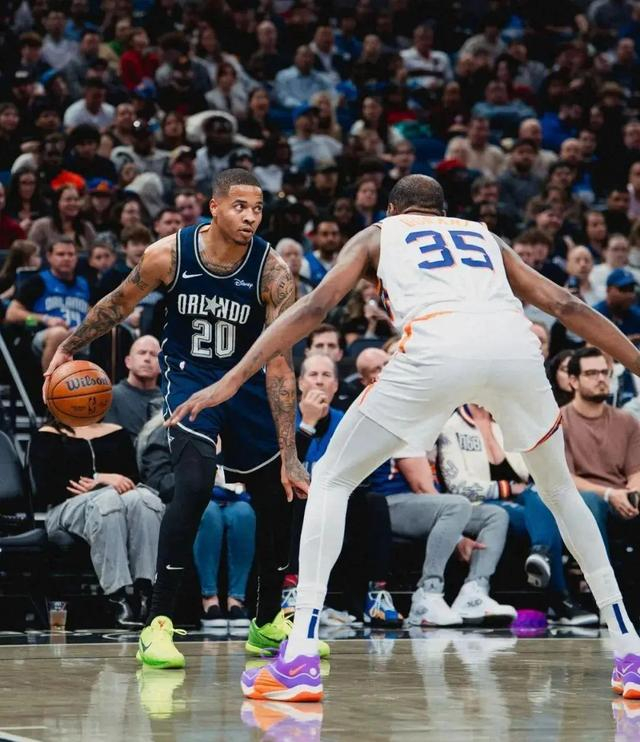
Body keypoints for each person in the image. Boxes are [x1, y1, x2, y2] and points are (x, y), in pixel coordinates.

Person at [168, 174, 640, 702]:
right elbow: (568, 307)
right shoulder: (485, 236)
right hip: (514, 351)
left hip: (435, 347)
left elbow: (315, 308)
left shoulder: (378, 234)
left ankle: (298, 656)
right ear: (444, 212)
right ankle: (630, 650)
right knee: (560, 492)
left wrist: (233, 378)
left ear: (392, 210)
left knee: (332, 479)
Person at [43, 169, 317, 671]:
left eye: (257, 209)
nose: (251, 217)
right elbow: (118, 303)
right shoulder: (168, 254)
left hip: (247, 387)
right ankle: (157, 624)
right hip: (191, 383)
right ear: (214, 207)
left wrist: (290, 453)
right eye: (240, 206)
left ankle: (266, 621)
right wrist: (68, 346)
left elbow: (281, 365)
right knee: (192, 485)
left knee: (279, 499)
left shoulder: (273, 272)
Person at [438, 404, 597, 626]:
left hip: (524, 497)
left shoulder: (506, 421)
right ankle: (559, 600)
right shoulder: (451, 426)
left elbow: (530, 470)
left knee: (540, 495)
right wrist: (507, 488)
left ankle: (540, 553)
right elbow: (458, 486)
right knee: (546, 517)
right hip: (481, 504)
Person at [29, 415, 163, 628]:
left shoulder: (116, 431)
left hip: (116, 500)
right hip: (64, 506)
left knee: (145, 500)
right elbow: (47, 489)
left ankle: (147, 592)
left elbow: (130, 480)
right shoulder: (47, 435)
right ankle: (117, 597)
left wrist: (108, 483)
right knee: (108, 502)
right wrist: (98, 478)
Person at [563, 347, 640, 552]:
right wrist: (609, 494)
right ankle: (599, 572)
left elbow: (635, 472)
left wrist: (632, 494)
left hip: (623, 497)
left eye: (605, 372)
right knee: (590, 502)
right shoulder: (558, 422)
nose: (601, 379)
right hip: (586, 500)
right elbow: (566, 479)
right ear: (573, 381)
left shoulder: (627, 421)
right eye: (591, 373)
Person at [6, 238, 90, 371]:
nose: (66, 258)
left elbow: (93, 311)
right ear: (49, 256)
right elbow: (11, 314)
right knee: (59, 334)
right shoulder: (37, 281)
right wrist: (45, 319)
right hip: (43, 333)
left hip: (79, 337)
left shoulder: (85, 284)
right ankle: (52, 382)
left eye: (71, 254)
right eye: (61, 254)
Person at [104, 335, 163, 442]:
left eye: (153, 355)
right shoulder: (109, 396)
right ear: (128, 361)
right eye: (142, 353)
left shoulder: (168, 401)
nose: (147, 359)